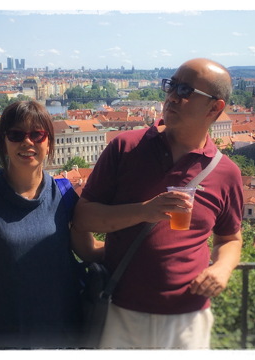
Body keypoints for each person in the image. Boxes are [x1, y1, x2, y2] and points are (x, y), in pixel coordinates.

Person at [72, 58, 244, 349]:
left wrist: (223, 269)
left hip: (188, 318)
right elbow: (84, 218)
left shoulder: (226, 172)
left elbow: (230, 239)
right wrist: (144, 211)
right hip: (120, 309)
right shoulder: (126, 147)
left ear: (215, 108)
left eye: (186, 90)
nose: (173, 96)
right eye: (171, 85)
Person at [0, 100, 104, 349]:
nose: (27, 142)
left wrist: (140, 240)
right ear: (4, 143)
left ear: (48, 142)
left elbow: (88, 249)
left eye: (36, 134)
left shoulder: (64, 193)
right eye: (16, 134)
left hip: (59, 332)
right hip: (1, 334)